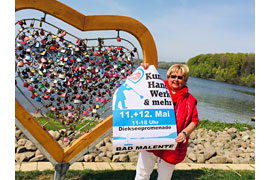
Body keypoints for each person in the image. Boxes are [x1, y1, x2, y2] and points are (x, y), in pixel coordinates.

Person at [135, 63, 199, 180]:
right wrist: (144, 69)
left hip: (173, 145)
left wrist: (185, 133)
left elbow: (194, 120)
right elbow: (139, 86)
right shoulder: (156, 88)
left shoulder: (190, 100)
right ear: (168, 76)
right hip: (151, 139)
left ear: (185, 80)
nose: (176, 80)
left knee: (165, 177)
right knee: (142, 174)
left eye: (180, 77)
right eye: (173, 76)